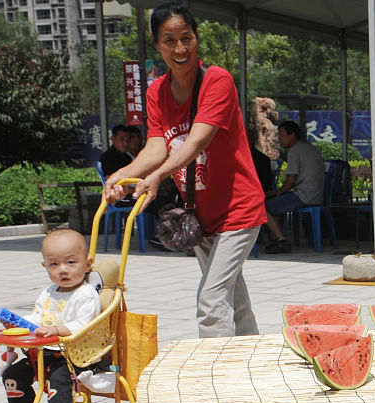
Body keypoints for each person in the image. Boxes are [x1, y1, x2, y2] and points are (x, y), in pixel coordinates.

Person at [103, 1, 264, 339]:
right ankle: (253, 358)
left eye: (186, 38)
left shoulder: (216, 80)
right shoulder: (156, 91)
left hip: (239, 209)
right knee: (231, 296)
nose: (180, 49)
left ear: (197, 38)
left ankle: (217, 372)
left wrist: (158, 176)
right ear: (156, 42)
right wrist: (124, 172)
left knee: (210, 299)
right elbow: (158, 146)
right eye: (170, 40)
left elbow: (194, 144)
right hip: (200, 213)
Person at [0, 229, 102, 403]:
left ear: (88, 263)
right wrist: (18, 323)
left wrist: (57, 330)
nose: (63, 270)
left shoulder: (86, 295)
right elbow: (37, 318)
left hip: (75, 356)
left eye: (71, 262)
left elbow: (84, 325)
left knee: (58, 378)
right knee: (12, 375)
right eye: (54, 264)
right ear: (44, 266)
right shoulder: (48, 293)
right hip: (45, 352)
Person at [263, 119, 326, 254]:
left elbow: (291, 180)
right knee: (277, 205)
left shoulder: (294, 151)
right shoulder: (312, 148)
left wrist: (278, 192)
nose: (279, 138)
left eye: (281, 134)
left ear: (292, 135)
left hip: (303, 195)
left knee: (262, 207)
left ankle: (281, 239)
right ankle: (278, 238)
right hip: (317, 195)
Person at [247, 124, 274, 195]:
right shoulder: (235, 158)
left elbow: (265, 184)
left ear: (254, 140)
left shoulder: (262, 160)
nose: (245, 141)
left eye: (248, 138)